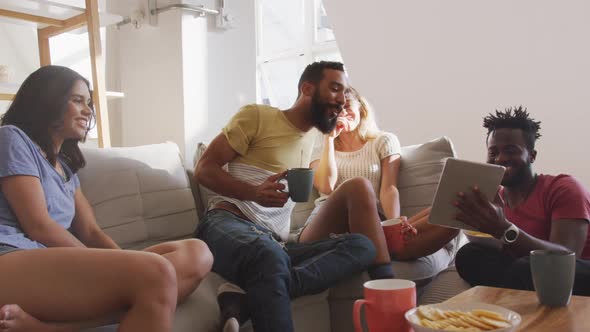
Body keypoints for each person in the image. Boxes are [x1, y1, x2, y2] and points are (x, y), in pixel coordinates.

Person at [0, 65, 213, 332]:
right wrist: (125, 271)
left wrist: (126, 266)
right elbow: (39, 226)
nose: (88, 110)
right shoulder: (12, 138)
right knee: (156, 273)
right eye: (77, 100)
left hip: (48, 264)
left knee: (198, 253)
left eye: (89, 103)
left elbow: (90, 231)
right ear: (47, 100)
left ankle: (52, 328)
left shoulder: (65, 168)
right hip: (10, 257)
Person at [194, 61, 382, 332]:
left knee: (362, 246)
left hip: (273, 242)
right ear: (307, 88)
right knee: (268, 255)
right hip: (226, 223)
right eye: (335, 89)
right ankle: (269, 283)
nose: (342, 100)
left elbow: (328, 185)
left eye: (344, 93)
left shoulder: (314, 139)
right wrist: (254, 192)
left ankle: (251, 296)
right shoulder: (256, 116)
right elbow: (204, 169)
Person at [299, 87, 458, 261]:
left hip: (370, 220)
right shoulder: (318, 147)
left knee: (451, 207)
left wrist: (394, 222)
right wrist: (329, 138)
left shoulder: (383, 141)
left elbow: (389, 188)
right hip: (326, 221)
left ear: (360, 106)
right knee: (358, 186)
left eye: (346, 106)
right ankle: (386, 255)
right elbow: (326, 186)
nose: (342, 113)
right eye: (334, 109)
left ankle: (396, 238)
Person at [454, 106, 590, 295]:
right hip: (527, 272)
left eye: (510, 151)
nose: (500, 158)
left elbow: (565, 257)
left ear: (532, 155)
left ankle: (510, 305)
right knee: (469, 255)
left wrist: (503, 229)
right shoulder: (495, 197)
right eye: (493, 152)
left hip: (576, 272)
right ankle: (504, 309)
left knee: (528, 266)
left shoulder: (563, 188)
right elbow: (504, 249)